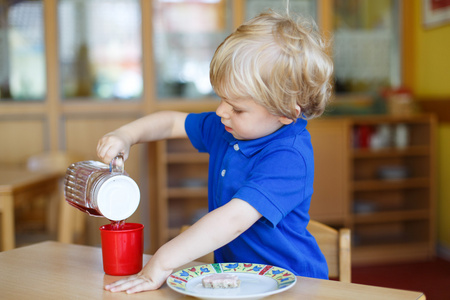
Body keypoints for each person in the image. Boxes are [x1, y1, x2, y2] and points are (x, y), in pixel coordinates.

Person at [97, 10, 333, 294]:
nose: (221, 111)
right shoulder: (231, 127)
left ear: (285, 114)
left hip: (295, 286)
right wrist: (127, 135)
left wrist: (161, 261)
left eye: (237, 107)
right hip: (241, 283)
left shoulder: (289, 157)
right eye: (221, 98)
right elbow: (171, 121)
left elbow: (232, 220)